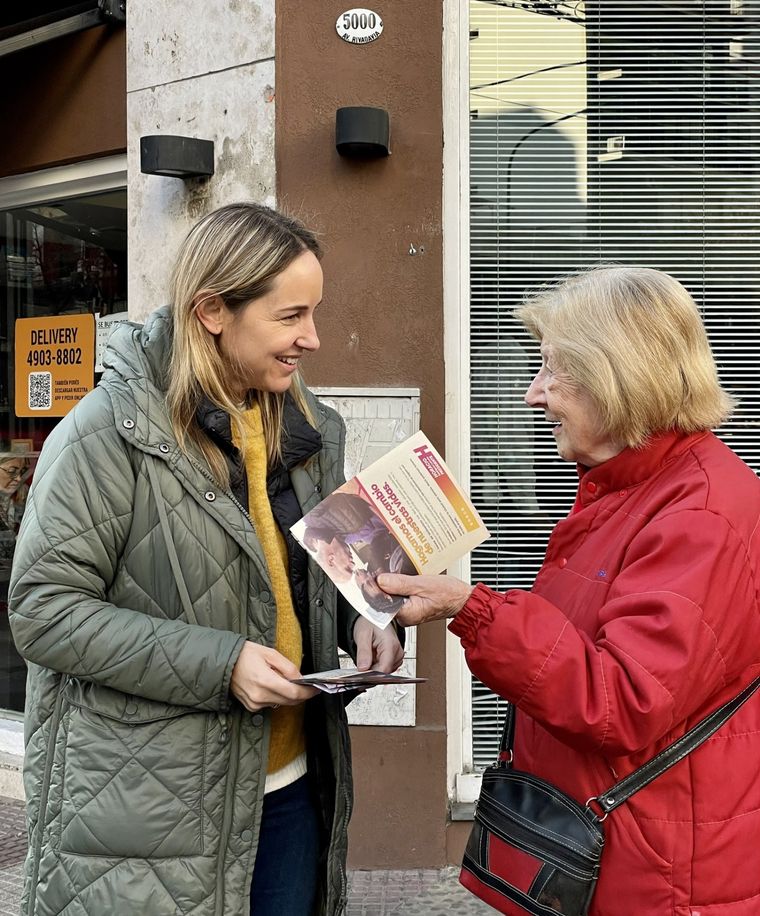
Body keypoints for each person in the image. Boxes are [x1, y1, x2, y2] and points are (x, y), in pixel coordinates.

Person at [9, 202, 403, 916]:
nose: (313, 338)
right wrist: (222, 665)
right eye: (290, 316)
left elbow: (319, 568)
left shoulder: (309, 424)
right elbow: (44, 612)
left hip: (291, 788)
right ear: (213, 310)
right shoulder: (104, 433)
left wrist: (368, 617)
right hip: (148, 809)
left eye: (314, 312)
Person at [379, 266, 760, 915]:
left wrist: (471, 609)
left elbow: (621, 700)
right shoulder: (632, 485)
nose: (534, 394)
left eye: (553, 370)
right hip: (628, 854)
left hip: (660, 879)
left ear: (617, 376)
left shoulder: (697, 514)